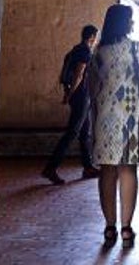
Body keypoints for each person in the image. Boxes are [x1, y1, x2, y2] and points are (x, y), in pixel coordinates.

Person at [89, 4, 139, 247]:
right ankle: (126, 228)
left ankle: (110, 227)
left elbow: (92, 89)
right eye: (130, 19)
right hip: (130, 115)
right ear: (123, 22)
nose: (132, 23)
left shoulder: (98, 51)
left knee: (107, 171)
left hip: (104, 117)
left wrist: (95, 118)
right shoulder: (135, 48)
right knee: (128, 169)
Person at [41, 24, 100, 185]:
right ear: (92, 37)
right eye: (96, 36)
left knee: (84, 133)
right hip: (81, 96)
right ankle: (50, 168)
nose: (96, 40)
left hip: (79, 96)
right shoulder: (85, 51)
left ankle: (88, 167)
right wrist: (71, 94)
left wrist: (68, 93)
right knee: (72, 132)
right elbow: (79, 74)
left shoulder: (75, 50)